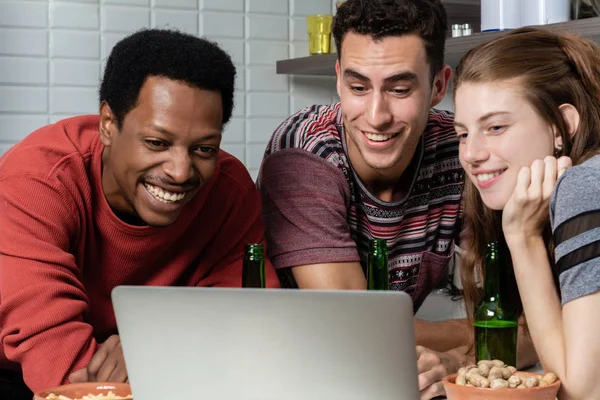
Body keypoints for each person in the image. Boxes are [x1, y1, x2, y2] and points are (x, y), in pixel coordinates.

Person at [258, 1, 537, 398]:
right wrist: (480, 337)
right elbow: (360, 331)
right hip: (294, 378)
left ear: (440, 86)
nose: (376, 115)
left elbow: (530, 327)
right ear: (338, 80)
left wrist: (462, 360)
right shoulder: (303, 154)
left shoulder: (462, 150)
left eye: (400, 89)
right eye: (358, 87)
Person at [0, 29, 279, 398]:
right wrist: (165, 353)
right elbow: (63, 368)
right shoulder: (35, 181)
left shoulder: (229, 191)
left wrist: (151, 345)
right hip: (18, 376)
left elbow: (248, 325)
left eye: (204, 149)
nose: (180, 172)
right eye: (156, 143)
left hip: (153, 370)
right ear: (108, 125)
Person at [454, 27, 600, 399]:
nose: (471, 153)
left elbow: (581, 392)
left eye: (496, 127)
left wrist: (522, 237)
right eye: (463, 134)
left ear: (561, 126)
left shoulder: (584, 187)